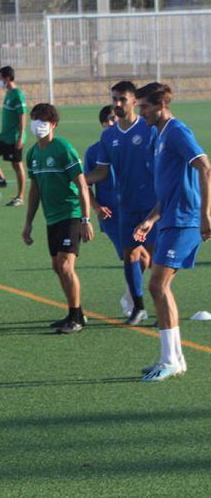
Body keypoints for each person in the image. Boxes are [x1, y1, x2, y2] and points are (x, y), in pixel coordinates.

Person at [133, 83, 211, 381]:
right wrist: (151, 219)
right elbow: (168, 187)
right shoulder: (159, 135)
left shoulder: (177, 131)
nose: (141, 114)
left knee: (157, 285)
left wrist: (205, 215)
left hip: (184, 220)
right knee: (160, 287)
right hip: (168, 220)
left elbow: (205, 167)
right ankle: (174, 358)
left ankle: (169, 360)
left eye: (144, 107)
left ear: (160, 106)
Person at [85, 81, 157, 325]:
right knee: (130, 255)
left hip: (153, 205)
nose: (117, 104)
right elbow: (101, 173)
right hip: (126, 206)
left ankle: (163, 309)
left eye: (122, 99)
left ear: (134, 101)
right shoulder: (109, 136)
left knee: (157, 258)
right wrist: (77, 179)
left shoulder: (150, 130)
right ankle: (137, 306)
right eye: (114, 98)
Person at [21, 103, 95, 335]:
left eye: (43, 120)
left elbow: (82, 186)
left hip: (71, 214)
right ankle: (76, 312)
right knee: (57, 267)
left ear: (53, 124)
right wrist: (28, 222)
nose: (37, 125)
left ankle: (76, 318)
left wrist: (85, 219)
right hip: (51, 218)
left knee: (65, 264)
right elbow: (35, 190)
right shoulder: (32, 154)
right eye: (34, 119)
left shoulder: (63, 148)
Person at [85, 106, 129, 294]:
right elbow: (84, 185)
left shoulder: (130, 146)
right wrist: (96, 208)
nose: (113, 123)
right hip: (111, 215)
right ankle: (133, 299)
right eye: (110, 119)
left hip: (136, 210)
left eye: (116, 119)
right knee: (130, 257)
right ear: (103, 124)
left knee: (145, 257)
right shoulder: (93, 152)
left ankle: (133, 298)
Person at [0, 66, 28, 206]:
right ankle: (1, 179)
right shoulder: (8, 93)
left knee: (17, 165)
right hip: (4, 136)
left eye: (0, 78)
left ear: (7, 78)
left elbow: (22, 116)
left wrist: (20, 137)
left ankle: (20, 197)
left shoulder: (17, 94)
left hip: (14, 137)